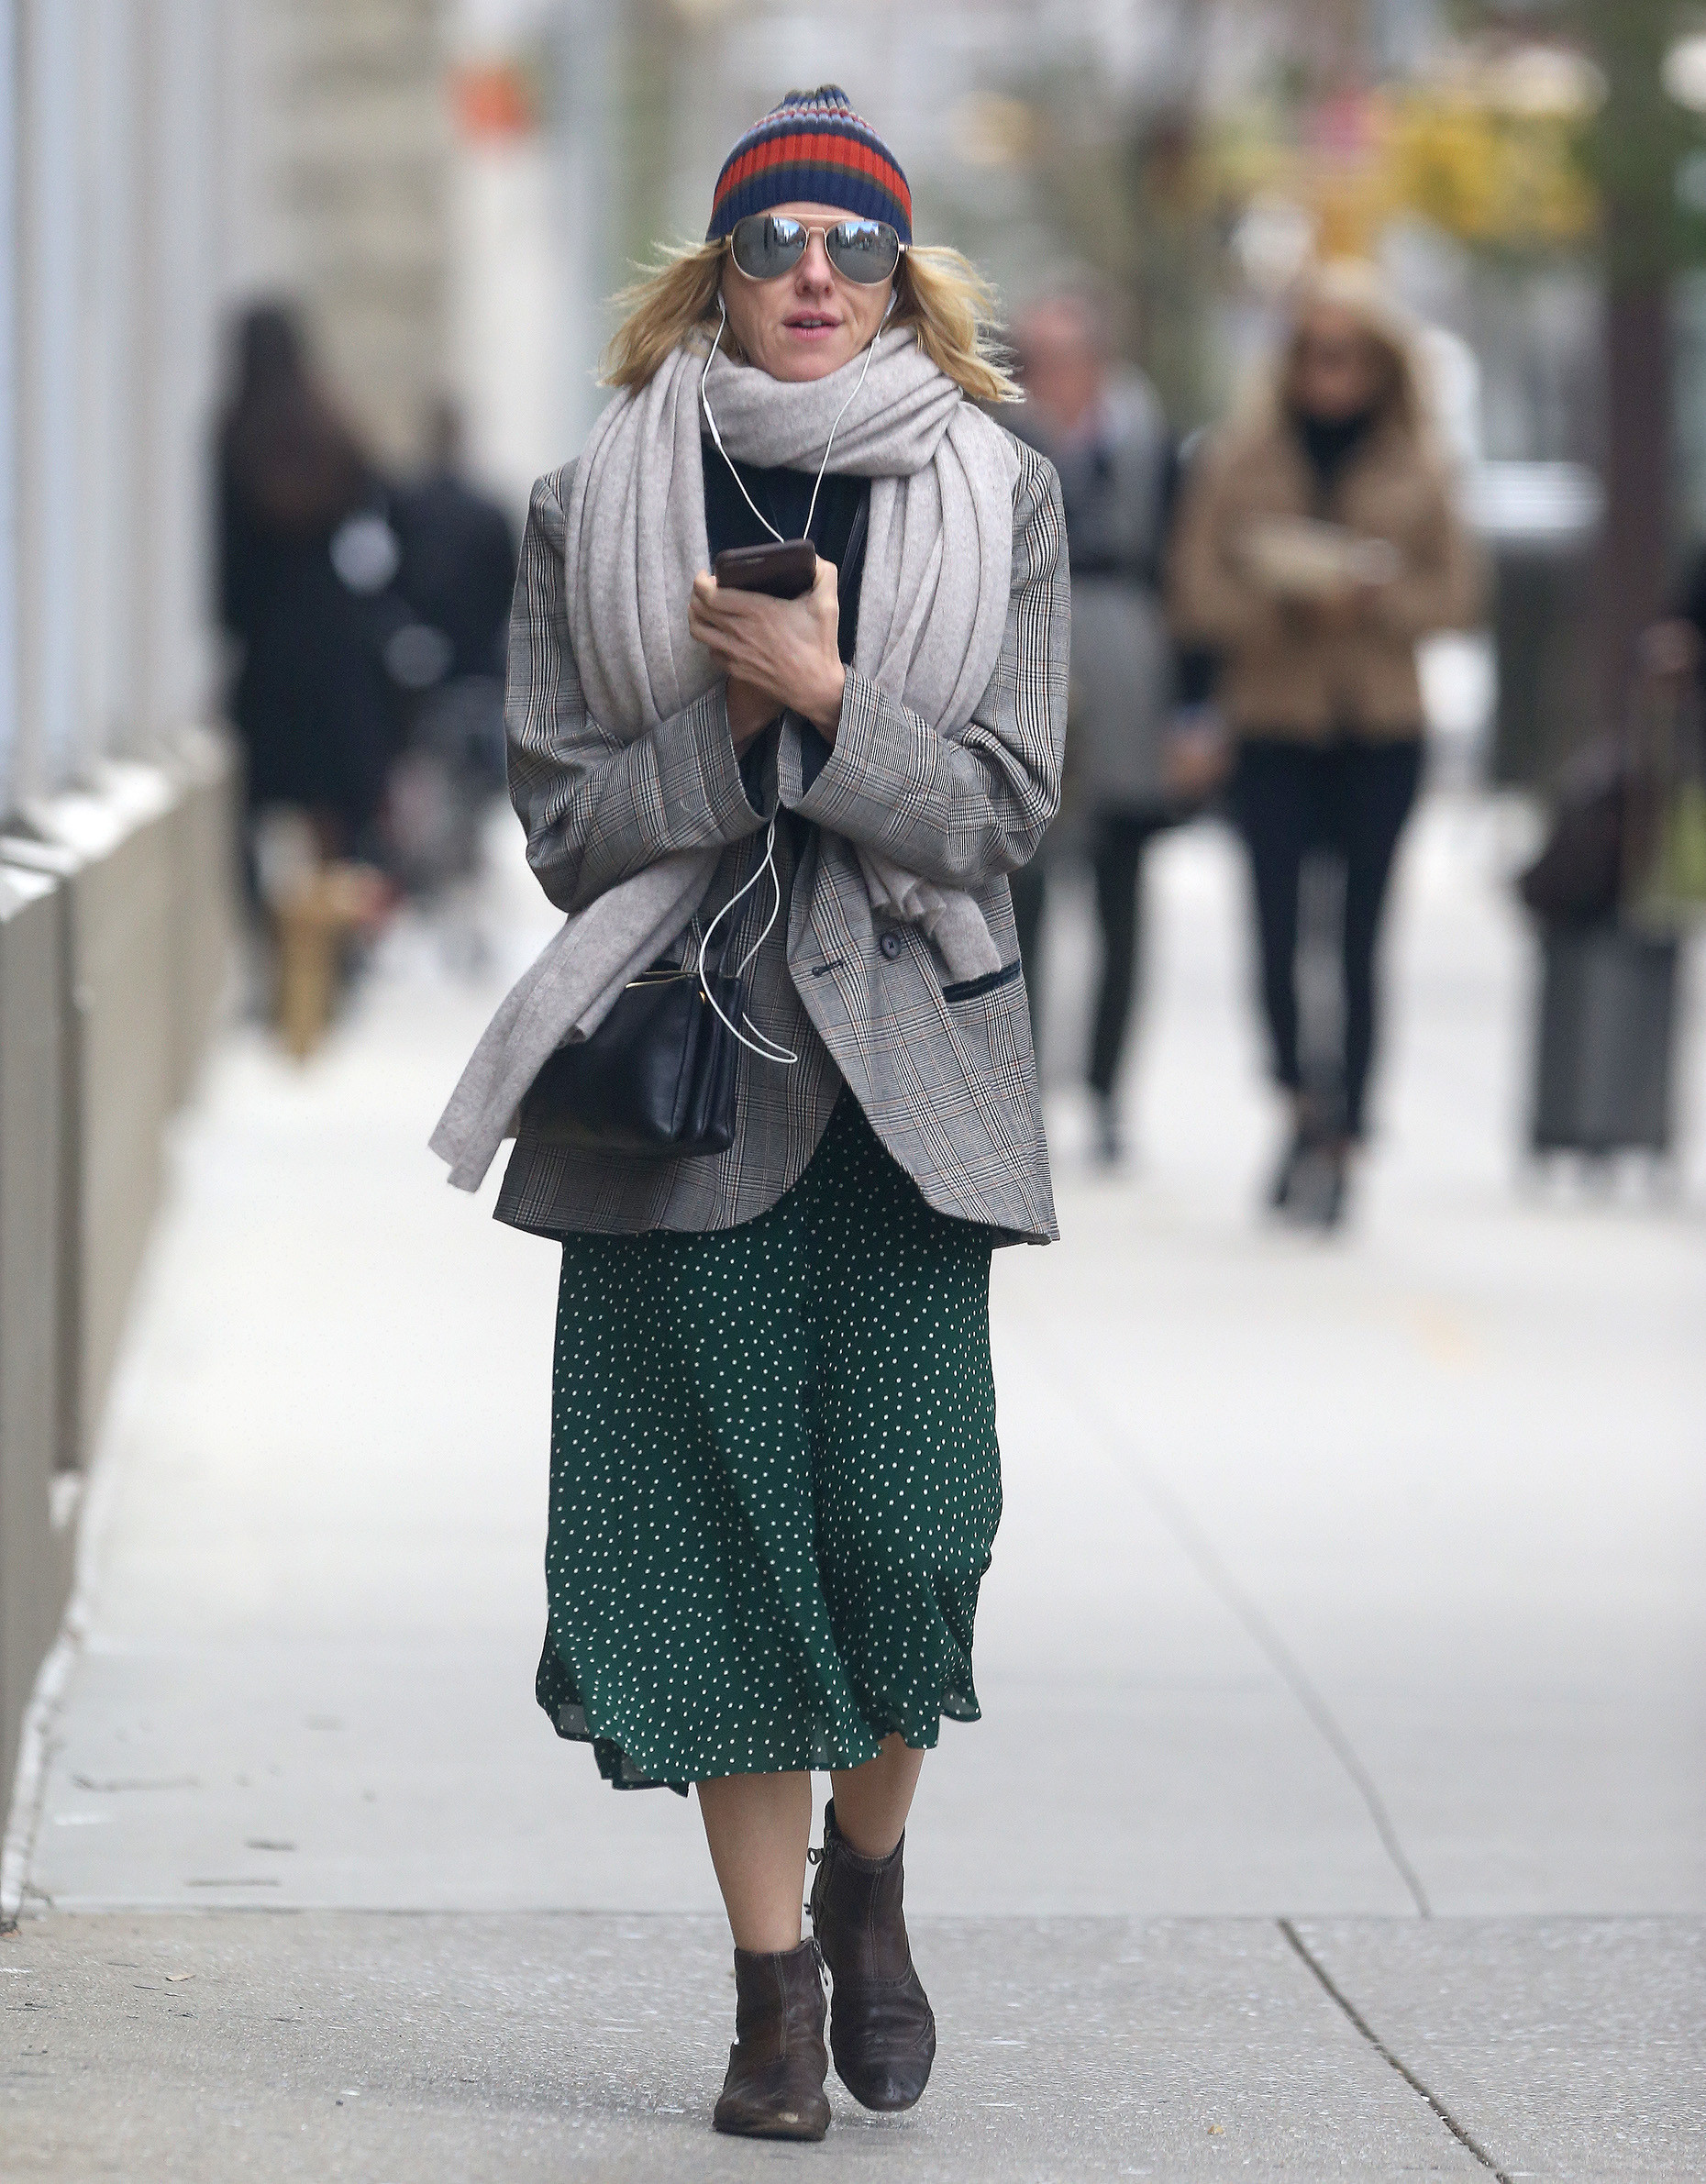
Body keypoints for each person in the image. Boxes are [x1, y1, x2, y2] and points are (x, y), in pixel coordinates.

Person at [435, 88, 1067, 2141]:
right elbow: (564, 830)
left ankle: (870, 1874)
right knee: (718, 1547)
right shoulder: (591, 503)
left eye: (854, 244)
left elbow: (1000, 810)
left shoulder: (999, 494)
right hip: (679, 1079)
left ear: (900, 278)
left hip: (910, 1089)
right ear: (716, 271)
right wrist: (723, 714)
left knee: (914, 1528)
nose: (814, 273)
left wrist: (825, 692)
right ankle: (773, 1990)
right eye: (775, 239)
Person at [1169, 260, 1480, 1225]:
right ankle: (1299, 1100)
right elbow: (1194, 591)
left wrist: (1375, 599)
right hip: (1275, 722)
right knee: (1273, 934)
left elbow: (1459, 595)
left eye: (1347, 355)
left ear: (1381, 365)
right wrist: (1283, 596)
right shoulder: (1239, 458)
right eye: (1313, 352)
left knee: (1358, 938)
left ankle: (1345, 1128)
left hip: (1380, 726)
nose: (1328, 372)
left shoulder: (1421, 464)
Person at [1006, 287, 1213, 1160]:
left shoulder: (1151, 445)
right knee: (1023, 891)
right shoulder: (998, 437)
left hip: (1130, 680)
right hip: (1028, 671)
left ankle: (1107, 1088)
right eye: (1029, 357)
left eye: (1058, 357)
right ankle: (1018, 1085)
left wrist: (1195, 710)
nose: (1042, 375)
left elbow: (1187, 578)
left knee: (1122, 893)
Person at [217, 303, 401, 867]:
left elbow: (226, 565)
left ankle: (283, 916)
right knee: (336, 815)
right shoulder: (334, 434)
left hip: (267, 654)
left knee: (262, 814)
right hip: (334, 647)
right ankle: (335, 911)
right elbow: (385, 528)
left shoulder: (234, 440)